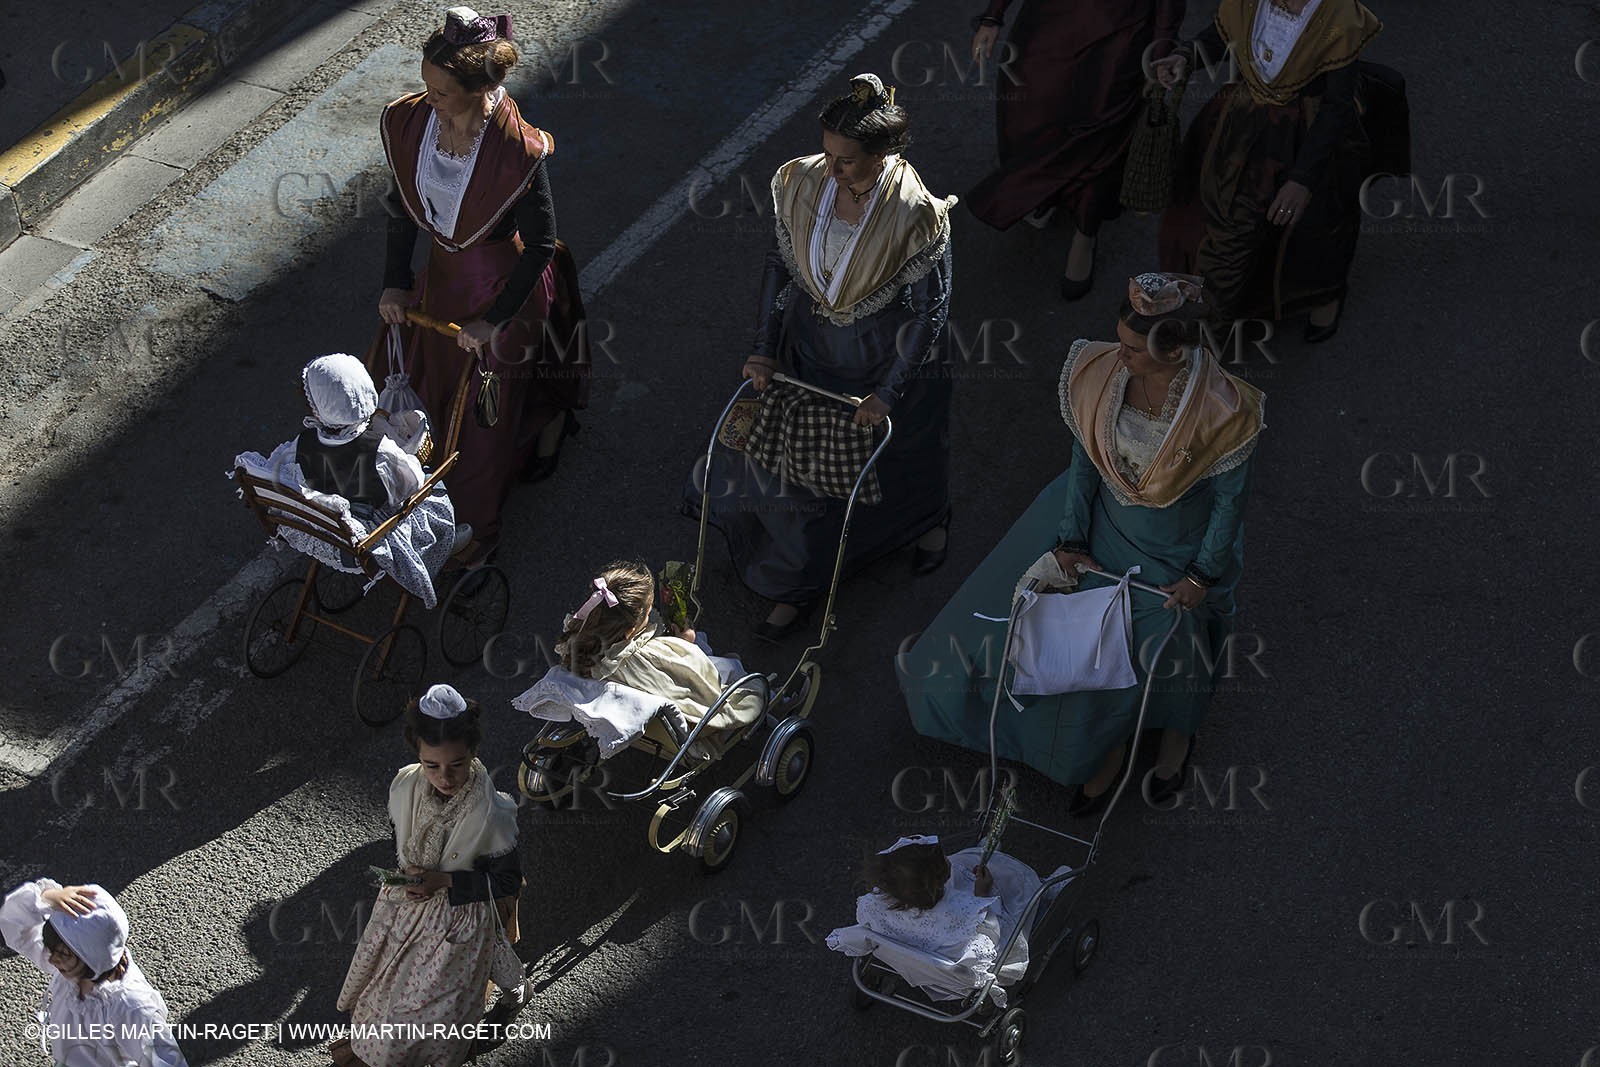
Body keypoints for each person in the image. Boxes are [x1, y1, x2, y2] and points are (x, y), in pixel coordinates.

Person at [898, 273, 1265, 815]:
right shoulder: (1101, 374)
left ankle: (1175, 739)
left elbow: (1229, 507)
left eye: (1135, 350)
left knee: (1171, 640)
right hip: (1103, 530)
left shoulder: (1224, 413)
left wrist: (1199, 577)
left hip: (1178, 550)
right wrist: (1070, 540)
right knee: (1079, 640)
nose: (1121, 356)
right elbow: (1084, 463)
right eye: (1120, 341)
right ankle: (1106, 746)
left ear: (1177, 352)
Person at [692, 73, 956, 643]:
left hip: (885, 361)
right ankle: (798, 582)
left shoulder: (914, 212)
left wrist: (890, 391)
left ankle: (928, 522)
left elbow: (928, 311)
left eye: (847, 161)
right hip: (811, 346)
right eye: (828, 153)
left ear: (883, 155)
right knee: (795, 474)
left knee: (900, 461)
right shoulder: (803, 181)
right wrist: (763, 348)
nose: (831, 170)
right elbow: (777, 266)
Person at [375, 5, 589, 563]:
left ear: (478, 90)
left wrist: (492, 320)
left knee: (480, 420)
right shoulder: (413, 122)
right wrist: (396, 283)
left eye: (441, 90)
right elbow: (400, 208)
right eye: (426, 84)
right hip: (441, 284)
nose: (428, 98)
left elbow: (541, 244)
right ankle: (408, 500)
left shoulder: (518, 151)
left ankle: (469, 531)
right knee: (421, 395)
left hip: (500, 290)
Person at [1153, 0, 1383, 342]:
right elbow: (1220, 37)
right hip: (1241, 124)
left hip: (1304, 134)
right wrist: (1186, 57)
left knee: (1316, 228)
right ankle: (1207, 331)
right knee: (1221, 225)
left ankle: (1324, 294)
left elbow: (1337, 106)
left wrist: (1302, 179)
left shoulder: (1339, 19)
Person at [334, 684, 530, 1067]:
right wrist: (409, 876)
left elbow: (508, 881)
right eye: (432, 766)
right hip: (407, 910)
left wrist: (444, 880)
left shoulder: (494, 814)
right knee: (395, 994)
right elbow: (402, 840)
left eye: (456, 764)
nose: (445, 777)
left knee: (458, 990)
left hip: (462, 918)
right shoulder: (406, 785)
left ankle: (515, 995)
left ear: (472, 754)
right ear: (418, 758)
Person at [965, 0, 1185, 300]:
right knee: (1024, 113)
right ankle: (1044, 192)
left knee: (1097, 135)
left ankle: (1085, 234)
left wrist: (1159, 53)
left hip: (1119, 37)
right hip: (1046, 26)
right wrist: (993, 17)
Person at [556, 560, 763, 733]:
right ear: (629, 631)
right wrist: (686, 644)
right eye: (647, 615)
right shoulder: (651, 658)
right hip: (684, 717)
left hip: (626, 706)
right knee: (733, 665)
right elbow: (692, 676)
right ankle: (773, 700)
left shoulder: (581, 643)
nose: (650, 617)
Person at [0, 878, 188, 1067]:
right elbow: (15, 925)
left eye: (63, 955)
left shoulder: (130, 1006)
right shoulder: (73, 973)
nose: (51, 959)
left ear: (91, 954)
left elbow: (167, 1062)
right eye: (51, 949)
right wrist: (46, 898)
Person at [825, 835, 1039, 990]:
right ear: (941, 880)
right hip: (958, 966)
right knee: (1011, 902)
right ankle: (1045, 890)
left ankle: (986, 854)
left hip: (918, 954)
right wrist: (981, 896)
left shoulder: (873, 907)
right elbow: (989, 941)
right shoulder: (964, 912)